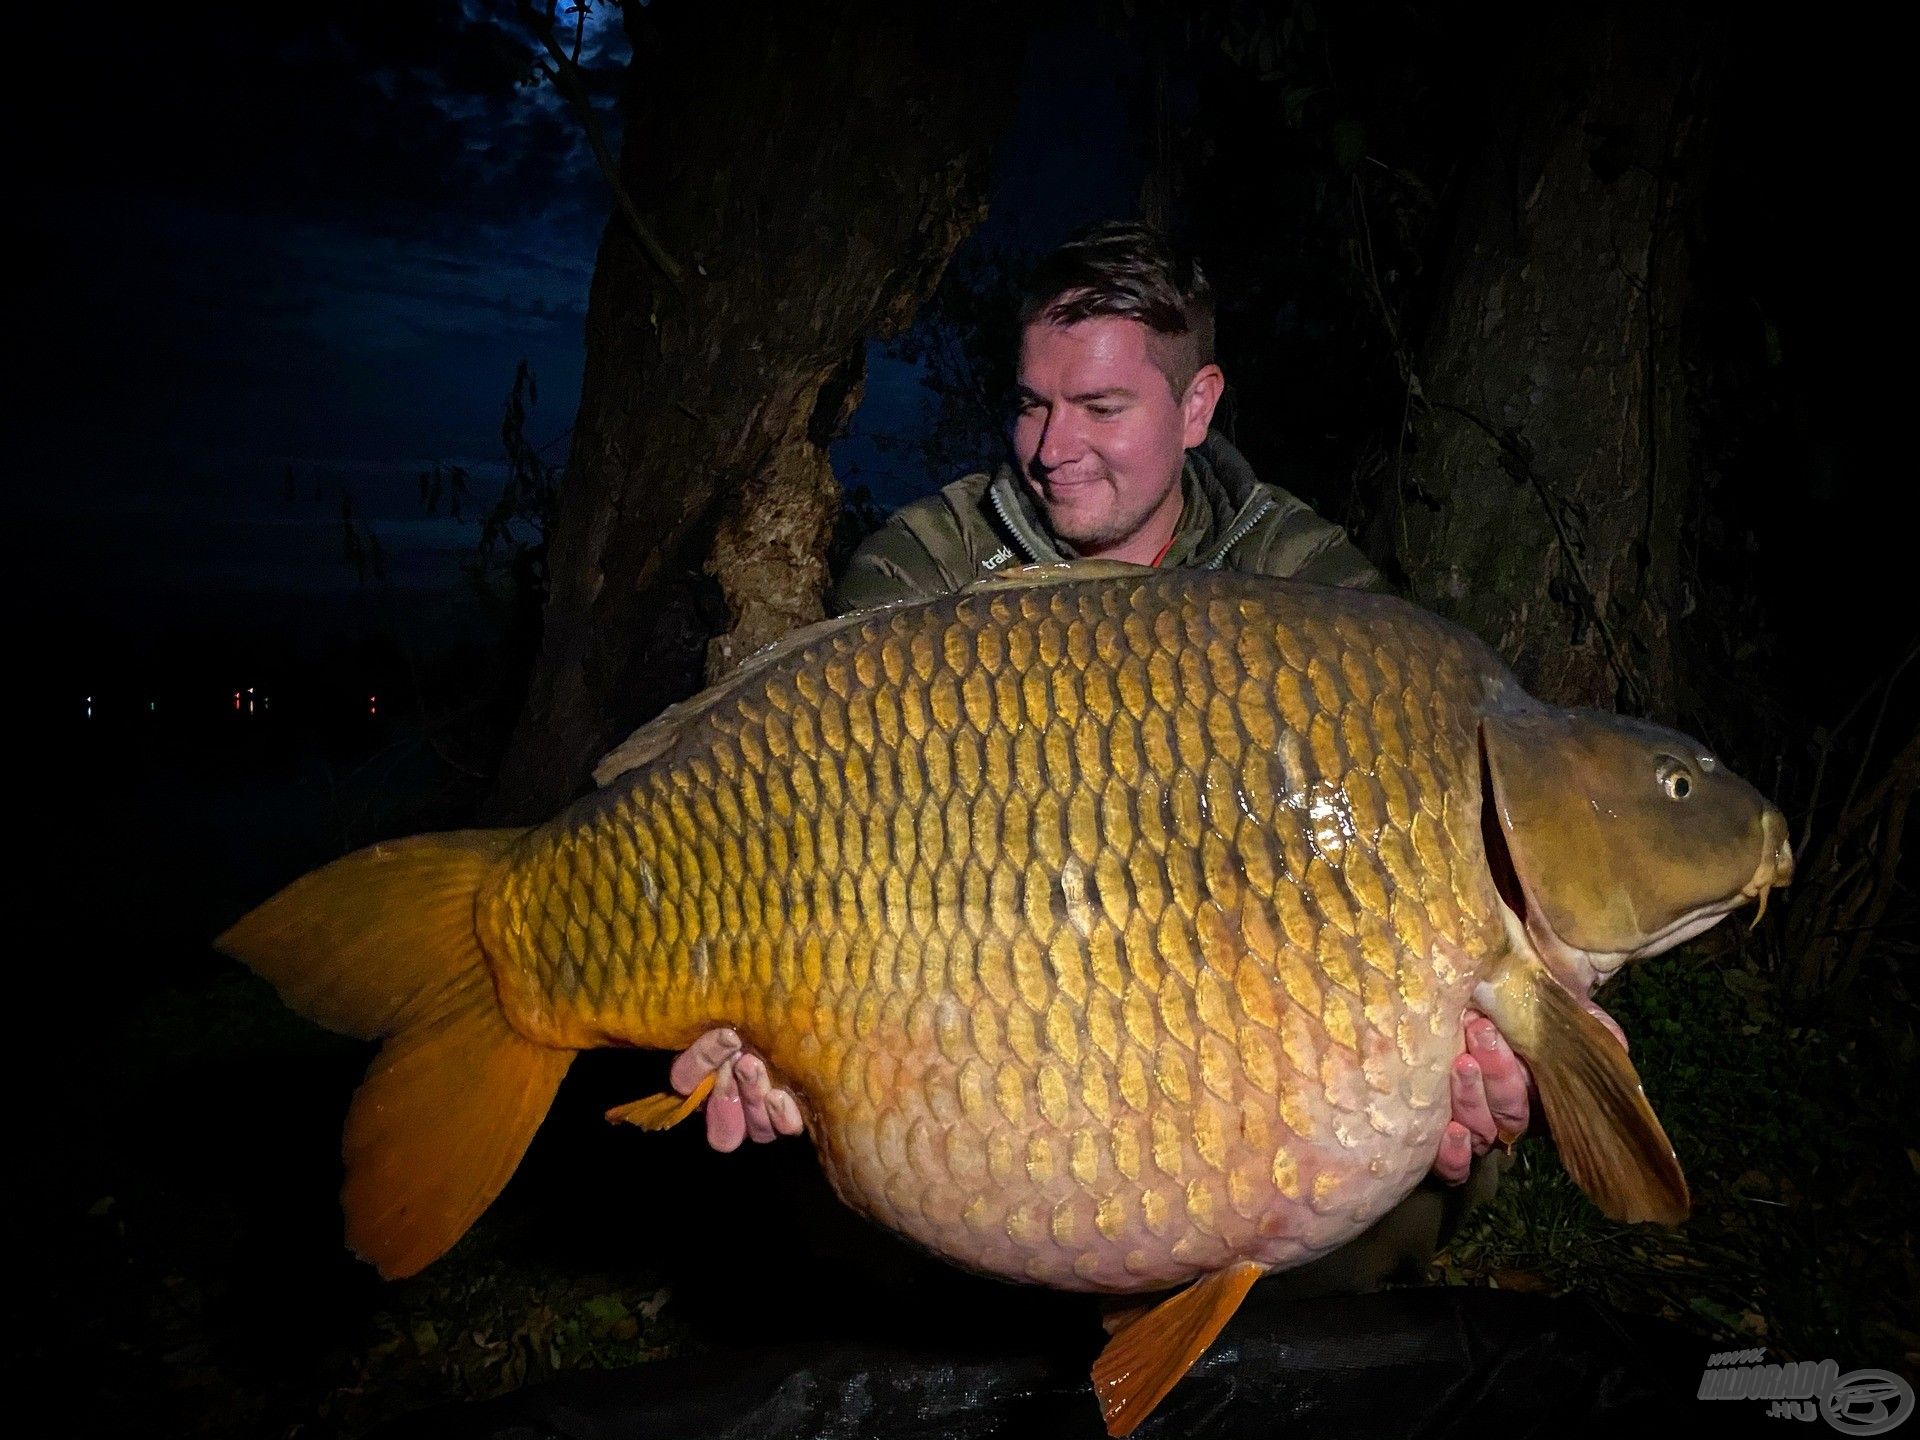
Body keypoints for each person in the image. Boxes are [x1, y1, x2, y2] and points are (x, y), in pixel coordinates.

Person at [662, 222, 1553, 1296]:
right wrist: (773, 1026)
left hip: (1222, 1009)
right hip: (978, 999)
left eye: (1100, 409)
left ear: (1197, 405)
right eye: (1034, 403)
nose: (1050, 449)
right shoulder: (927, 569)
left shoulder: (1308, 586)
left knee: (1424, 1161)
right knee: (825, 1174)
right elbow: (826, 856)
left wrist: (1463, 1046)